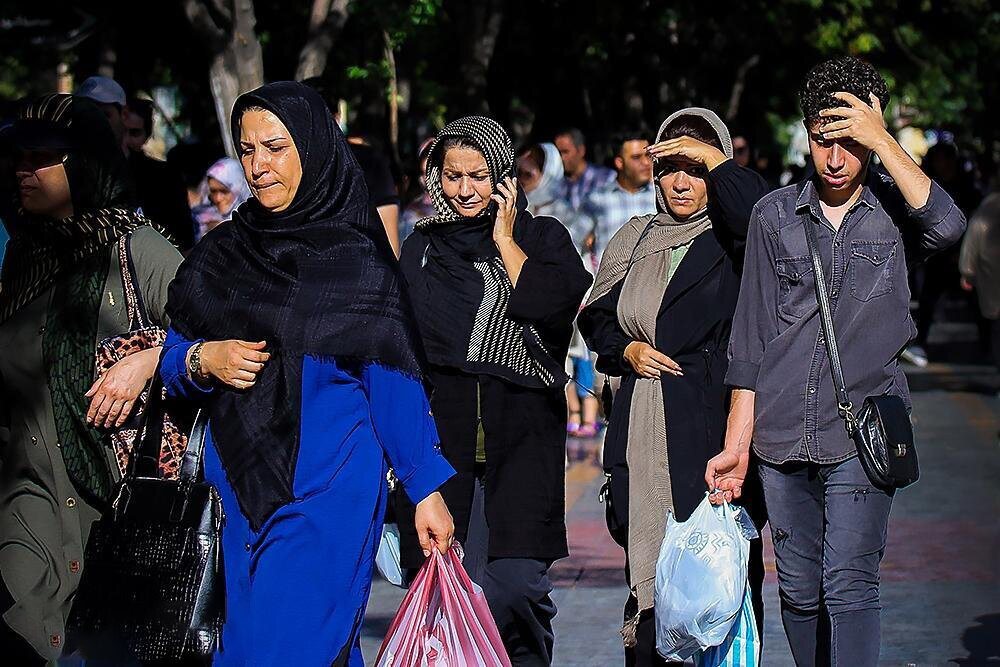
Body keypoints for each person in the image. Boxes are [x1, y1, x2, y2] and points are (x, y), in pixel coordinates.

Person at [160, 81, 455, 666]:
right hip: (236, 501)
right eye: (247, 151)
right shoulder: (226, 253)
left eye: (275, 147)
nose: (259, 166)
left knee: (281, 651)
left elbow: (392, 383)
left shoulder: (356, 261)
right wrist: (204, 359)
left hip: (326, 496)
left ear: (314, 148)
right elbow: (172, 354)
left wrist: (425, 492)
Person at [706, 57, 966, 666]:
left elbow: (949, 227)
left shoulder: (897, 213)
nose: (835, 159)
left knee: (849, 582)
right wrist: (736, 444)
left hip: (863, 431)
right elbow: (749, 341)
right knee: (797, 589)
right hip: (778, 432)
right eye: (824, 141)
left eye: (851, 143)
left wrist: (883, 139)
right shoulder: (774, 216)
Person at [397, 116, 592, 665]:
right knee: (450, 594)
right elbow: (405, 344)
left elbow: (554, 304)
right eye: (452, 176)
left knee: (515, 587)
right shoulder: (424, 249)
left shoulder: (542, 237)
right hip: (446, 444)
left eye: (478, 176)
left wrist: (505, 241)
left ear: (504, 176)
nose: (463, 191)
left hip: (522, 439)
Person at [579, 108, 770, 666]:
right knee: (654, 593)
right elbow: (597, 315)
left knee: (720, 587)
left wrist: (719, 163)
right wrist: (627, 349)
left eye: (697, 167)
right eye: (670, 169)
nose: (682, 182)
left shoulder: (741, 239)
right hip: (642, 430)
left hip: (715, 431)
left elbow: (756, 208)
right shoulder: (636, 238)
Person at [0, 93, 181, 665]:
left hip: (120, 502)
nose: (22, 171)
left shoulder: (139, 252)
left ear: (84, 165)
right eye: (17, 158)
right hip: (27, 494)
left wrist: (150, 360)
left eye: (41, 158)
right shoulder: (22, 257)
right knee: (23, 632)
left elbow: (212, 343)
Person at [301, 78, 402, 256]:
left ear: (336, 117)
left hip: (360, 273)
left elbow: (389, 243)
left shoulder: (368, 162)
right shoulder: (285, 165)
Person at [905, 140, 983, 366]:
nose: (942, 164)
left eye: (945, 159)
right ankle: (919, 343)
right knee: (929, 299)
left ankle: (986, 345)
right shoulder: (928, 184)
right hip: (936, 256)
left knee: (977, 303)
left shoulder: (967, 186)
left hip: (964, 253)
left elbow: (974, 219)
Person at [122, 95, 194, 250]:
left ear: (146, 135)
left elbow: (184, 238)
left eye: (135, 133)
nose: (126, 140)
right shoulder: (92, 177)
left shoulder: (165, 178)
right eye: (122, 131)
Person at [579, 132, 656, 266]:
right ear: (619, 162)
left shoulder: (660, 196)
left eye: (648, 156)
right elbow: (574, 239)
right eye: (636, 157)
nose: (646, 163)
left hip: (652, 282)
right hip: (610, 283)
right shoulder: (598, 199)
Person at [960, 189, 1000, 377]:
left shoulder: (989, 205)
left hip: (991, 271)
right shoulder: (990, 206)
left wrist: (967, 270)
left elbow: (974, 235)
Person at [191, 157, 252, 241]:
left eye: (224, 191)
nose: (218, 198)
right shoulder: (202, 222)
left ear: (238, 187)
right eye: (213, 191)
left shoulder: (254, 222)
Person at [554, 127, 614, 210]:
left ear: (581, 150)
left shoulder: (606, 178)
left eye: (565, 152)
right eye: (558, 152)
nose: (561, 158)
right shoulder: (558, 183)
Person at [76, 76, 128, 153]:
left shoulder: (140, 164)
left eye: (105, 115)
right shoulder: (60, 161)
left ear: (123, 117)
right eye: (87, 114)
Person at [400, 137, 436, 241]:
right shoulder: (412, 212)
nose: (428, 179)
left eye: (432, 172)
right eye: (424, 173)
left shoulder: (463, 206)